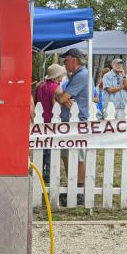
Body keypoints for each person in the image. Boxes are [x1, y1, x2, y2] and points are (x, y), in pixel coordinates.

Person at [54, 48, 89, 203]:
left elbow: (62, 97)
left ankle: (79, 191)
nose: (64, 62)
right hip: (71, 122)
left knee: (78, 157)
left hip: (77, 122)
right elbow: (61, 97)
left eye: (65, 59)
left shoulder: (81, 75)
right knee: (67, 155)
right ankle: (73, 187)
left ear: (74, 59)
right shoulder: (77, 75)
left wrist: (61, 95)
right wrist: (61, 96)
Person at [34, 64, 66, 182]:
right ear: (58, 76)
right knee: (50, 148)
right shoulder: (57, 88)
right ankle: (48, 173)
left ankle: (39, 171)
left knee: (41, 147)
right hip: (51, 121)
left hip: (40, 120)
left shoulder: (39, 86)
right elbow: (56, 106)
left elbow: (36, 102)